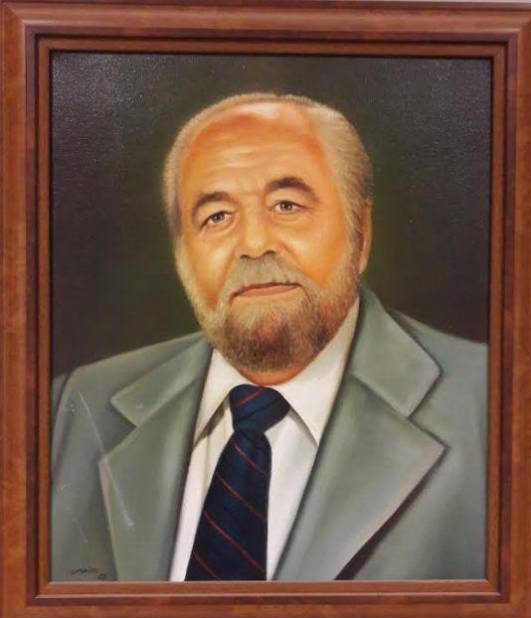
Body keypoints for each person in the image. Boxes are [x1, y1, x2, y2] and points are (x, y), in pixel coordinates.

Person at [51, 93, 487, 582]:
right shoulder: (74, 406)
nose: (255, 243)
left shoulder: (495, 407)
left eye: (287, 205)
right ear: (181, 255)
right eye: (217, 216)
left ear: (361, 233)